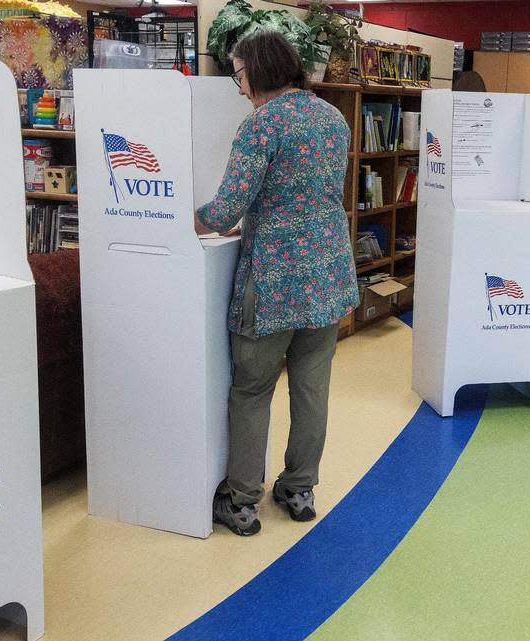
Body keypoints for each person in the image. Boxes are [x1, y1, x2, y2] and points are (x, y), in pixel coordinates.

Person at [195, 30, 357, 536]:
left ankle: (243, 502)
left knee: (252, 390)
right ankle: (299, 488)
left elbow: (224, 211)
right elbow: (314, 193)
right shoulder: (333, 117)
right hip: (327, 275)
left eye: (238, 74)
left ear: (258, 71)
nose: (237, 86)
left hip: (273, 282)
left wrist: (185, 218)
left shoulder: (261, 126)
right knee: (312, 389)